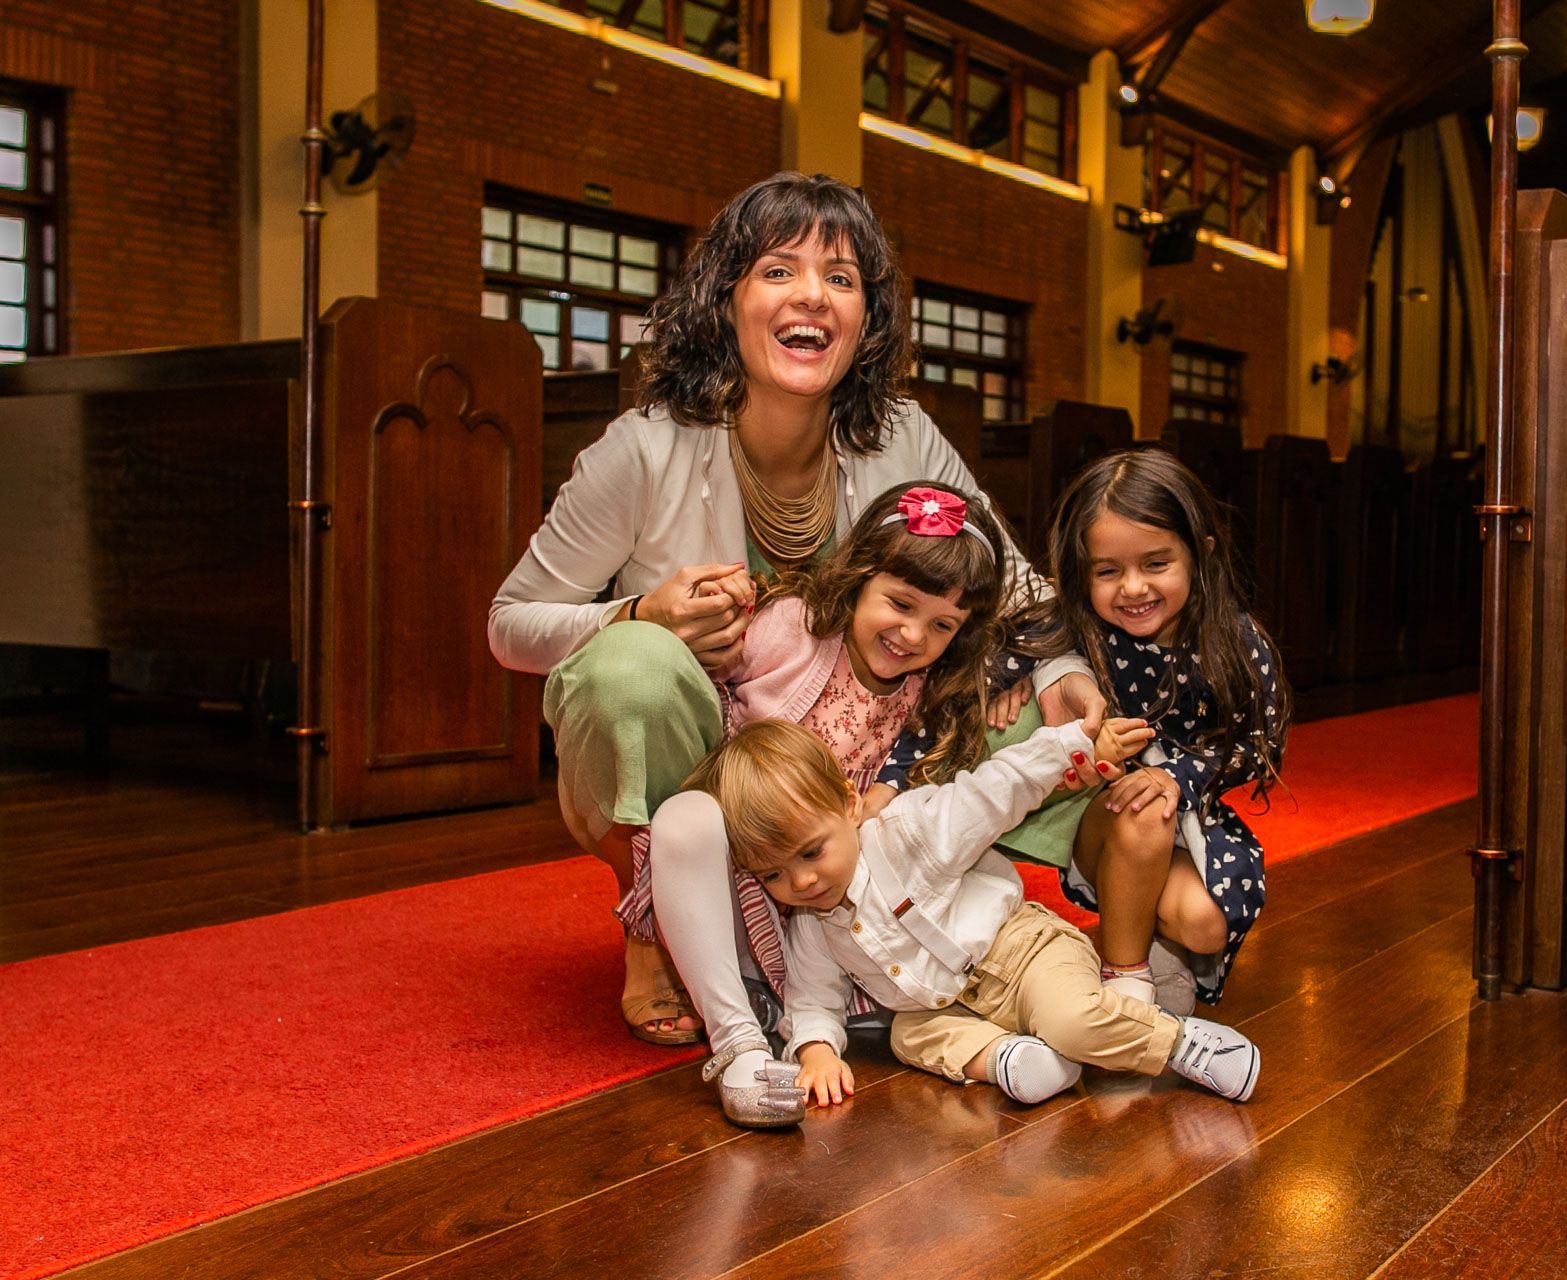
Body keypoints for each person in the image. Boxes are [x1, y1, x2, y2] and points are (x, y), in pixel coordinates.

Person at [487, 172, 1101, 1125]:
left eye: (841, 277)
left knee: (1038, 707)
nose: (812, 294)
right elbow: (510, 622)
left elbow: (1009, 578)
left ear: (866, 320)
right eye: (779, 269)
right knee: (629, 671)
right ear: (729, 297)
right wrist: (635, 613)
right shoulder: (642, 450)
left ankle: (991, 929)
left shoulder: (899, 436)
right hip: (712, 762)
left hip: (864, 764)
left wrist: (1058, 669)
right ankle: (646, 912)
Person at [877, 449, 1290, 1010]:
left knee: (1203, 925)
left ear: (1201, 555)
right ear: (1081, 572)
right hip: (1102, 816)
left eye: (1156, 563)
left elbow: (1255, 746)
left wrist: (1178, 779)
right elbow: (951, 700)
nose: (1133, 588)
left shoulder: (1238, 643)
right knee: (1142, 806)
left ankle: (1157, 940)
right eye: (1108, 571)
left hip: (1192, 814)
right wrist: (893, 781)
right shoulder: (1067, 624)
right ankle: (1127, 978)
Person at [685, 718, 1262, 1114]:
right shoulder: (813, 925)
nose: (802, 882)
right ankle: (1014, 1060)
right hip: (949, 1007)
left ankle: (1181, 1045)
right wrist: (814, 1050)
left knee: (1072, 1020)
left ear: (848, 802)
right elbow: (812, 999)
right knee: (908, 1035)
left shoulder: (910, 832)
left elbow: (994, 790)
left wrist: (1068, 748)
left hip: (1025, 953)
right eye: (773, 875)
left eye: (811, 852)